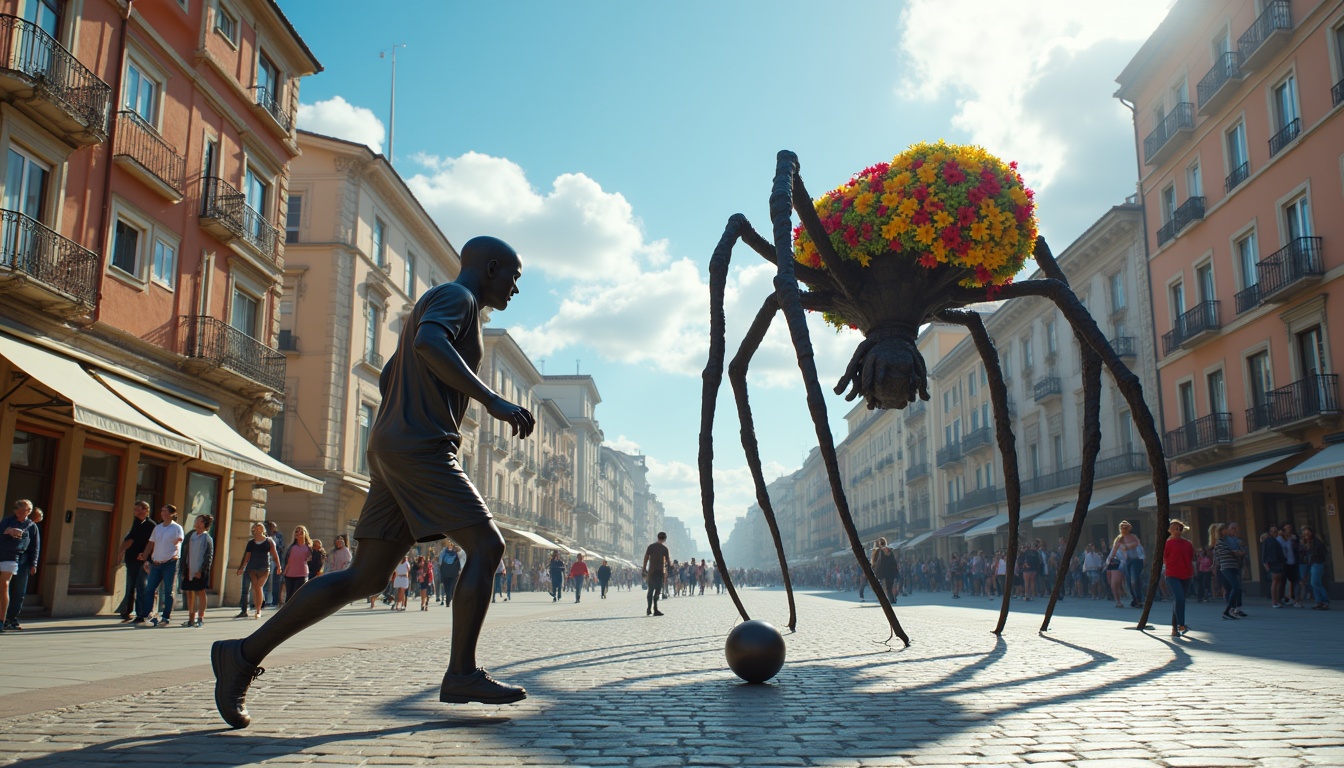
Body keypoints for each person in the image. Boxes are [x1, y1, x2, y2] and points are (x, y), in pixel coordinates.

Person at [212, 236, 533, 729]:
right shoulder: (458, 298)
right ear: (491, 268)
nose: (515, 287)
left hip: (392, 449)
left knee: (366, 577)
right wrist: (491, 400)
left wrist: (401, 416)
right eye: (512, 276)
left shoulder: (439, 303)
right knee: (487, 546)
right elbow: (428, 344)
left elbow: (389, 374)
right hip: (421, 449)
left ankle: (241, 653)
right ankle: (462, 672)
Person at [136, 505, 184, 627]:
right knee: (149, 589)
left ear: (172, 514)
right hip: (156, 563)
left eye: (166, 511)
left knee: (168, 591)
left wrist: (177, 542)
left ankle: (166, 617)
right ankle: (149, 616)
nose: (163, 513)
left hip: (170, 563)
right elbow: (151, 543)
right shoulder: (157, 528)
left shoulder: (177, 528)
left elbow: (179, 539)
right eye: (162, 511)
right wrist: (145, 557)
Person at [0, 500, 40, 634]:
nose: (28, 512)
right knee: (5, 588)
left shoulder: (31, 526)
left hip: (23, 561)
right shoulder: (7, 521)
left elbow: (35, 546)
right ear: (17, 510)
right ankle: (4, 618)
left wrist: (33, 563)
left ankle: (11, 619)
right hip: (7, 557)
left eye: (30, 510)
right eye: (26, 509)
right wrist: (8, 531)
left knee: (19, 592)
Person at [115, 500, 155, 623]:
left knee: (140, 586)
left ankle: (141, 614)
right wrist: (121, 552)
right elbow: (130, 539)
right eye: (135, 510)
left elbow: (152, 543)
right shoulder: (136, 522)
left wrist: (147, 558)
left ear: (145, 510)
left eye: (138, 509)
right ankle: (127, 611)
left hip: (142, 560)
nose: (135, 512)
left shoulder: (151, 525)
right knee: (130, 586)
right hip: (131, 558)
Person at [237, 523, 280, 620]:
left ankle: (258, 610)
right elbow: (247, 556)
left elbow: (274, 554)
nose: (257, 529)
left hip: (264, 568)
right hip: (252, 568)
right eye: (255, 528)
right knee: (256, 588)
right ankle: (257, 608)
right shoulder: (251, 543)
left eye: (259, 527)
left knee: (258, 587)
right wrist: (242, 567)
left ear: (263, 529)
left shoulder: (269, 541)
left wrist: (278, 566)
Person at [180, 514, 215, 628]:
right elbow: (185, 552)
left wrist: (203, 570)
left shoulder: (207, 538)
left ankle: (200, 617)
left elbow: (208, 556)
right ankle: (191, 618)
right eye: (196, 520)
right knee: (189, 592)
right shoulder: (191, 535)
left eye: (199, 521)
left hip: (200, 570)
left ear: (205, 524)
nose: (197, 522)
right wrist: (184, 567)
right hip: (189, 568)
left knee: (200, 592)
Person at [1163, 519, 1195, 637]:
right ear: (1170, 530)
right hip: (1172, 574)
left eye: (1178, 528)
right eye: (1173, 527)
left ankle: (1174, 628)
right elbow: (1164, 558)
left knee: (1179, 601)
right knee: (1179, 599)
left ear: (1181, 529)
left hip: (1186, 574)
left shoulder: (1187, 543)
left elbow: (1191, 557)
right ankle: (1181, 624)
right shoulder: (1167, 543)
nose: (1176, 529)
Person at [1299, 526, 1329, 610]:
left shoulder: (1316, 542)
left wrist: (1313, 552)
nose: (1306, 534)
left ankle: (1325, 601)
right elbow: (1301, 553)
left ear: (1311, 533)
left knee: (1315, 583)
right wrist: (1303, 545)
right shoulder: (1304, 543)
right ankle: (1319, 602)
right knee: (1315, 583)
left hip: (1317, 563)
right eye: (1304, 533)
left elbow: (1323, 552)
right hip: (1310, 564)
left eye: (1307, 533)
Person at [281, 526, 313, 603]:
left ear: (305, 533)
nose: (298, 533)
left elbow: (311, 560)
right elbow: (288, 562)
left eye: (301, 532)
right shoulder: (292, 547)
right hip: (289, 575)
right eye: (296, 532)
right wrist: (284, 574)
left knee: (297, 595)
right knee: (289, 596)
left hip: (302, 575)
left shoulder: (308, 547)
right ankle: (287, 613)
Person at [642, 532, 671, 616]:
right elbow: (667, 562)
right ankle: (655, 608)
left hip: (651, 571)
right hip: (659, 571)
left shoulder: (651, 547)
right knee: (657, 590)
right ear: (665, 539)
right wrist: (667, 572)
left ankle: (648, 608)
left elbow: (646, 558)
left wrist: (644, 568)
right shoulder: (664, 549)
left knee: (650, 590)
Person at [265, 522, 284, 607]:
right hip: (266, 560)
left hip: (276, 560)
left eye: (273, 527)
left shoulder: (278, 536)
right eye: (270, 526)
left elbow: (281, 547)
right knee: (266, 581)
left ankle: (274, 600)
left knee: (275, 581)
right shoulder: (265, 535)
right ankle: (264, 600)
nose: (272, 528)